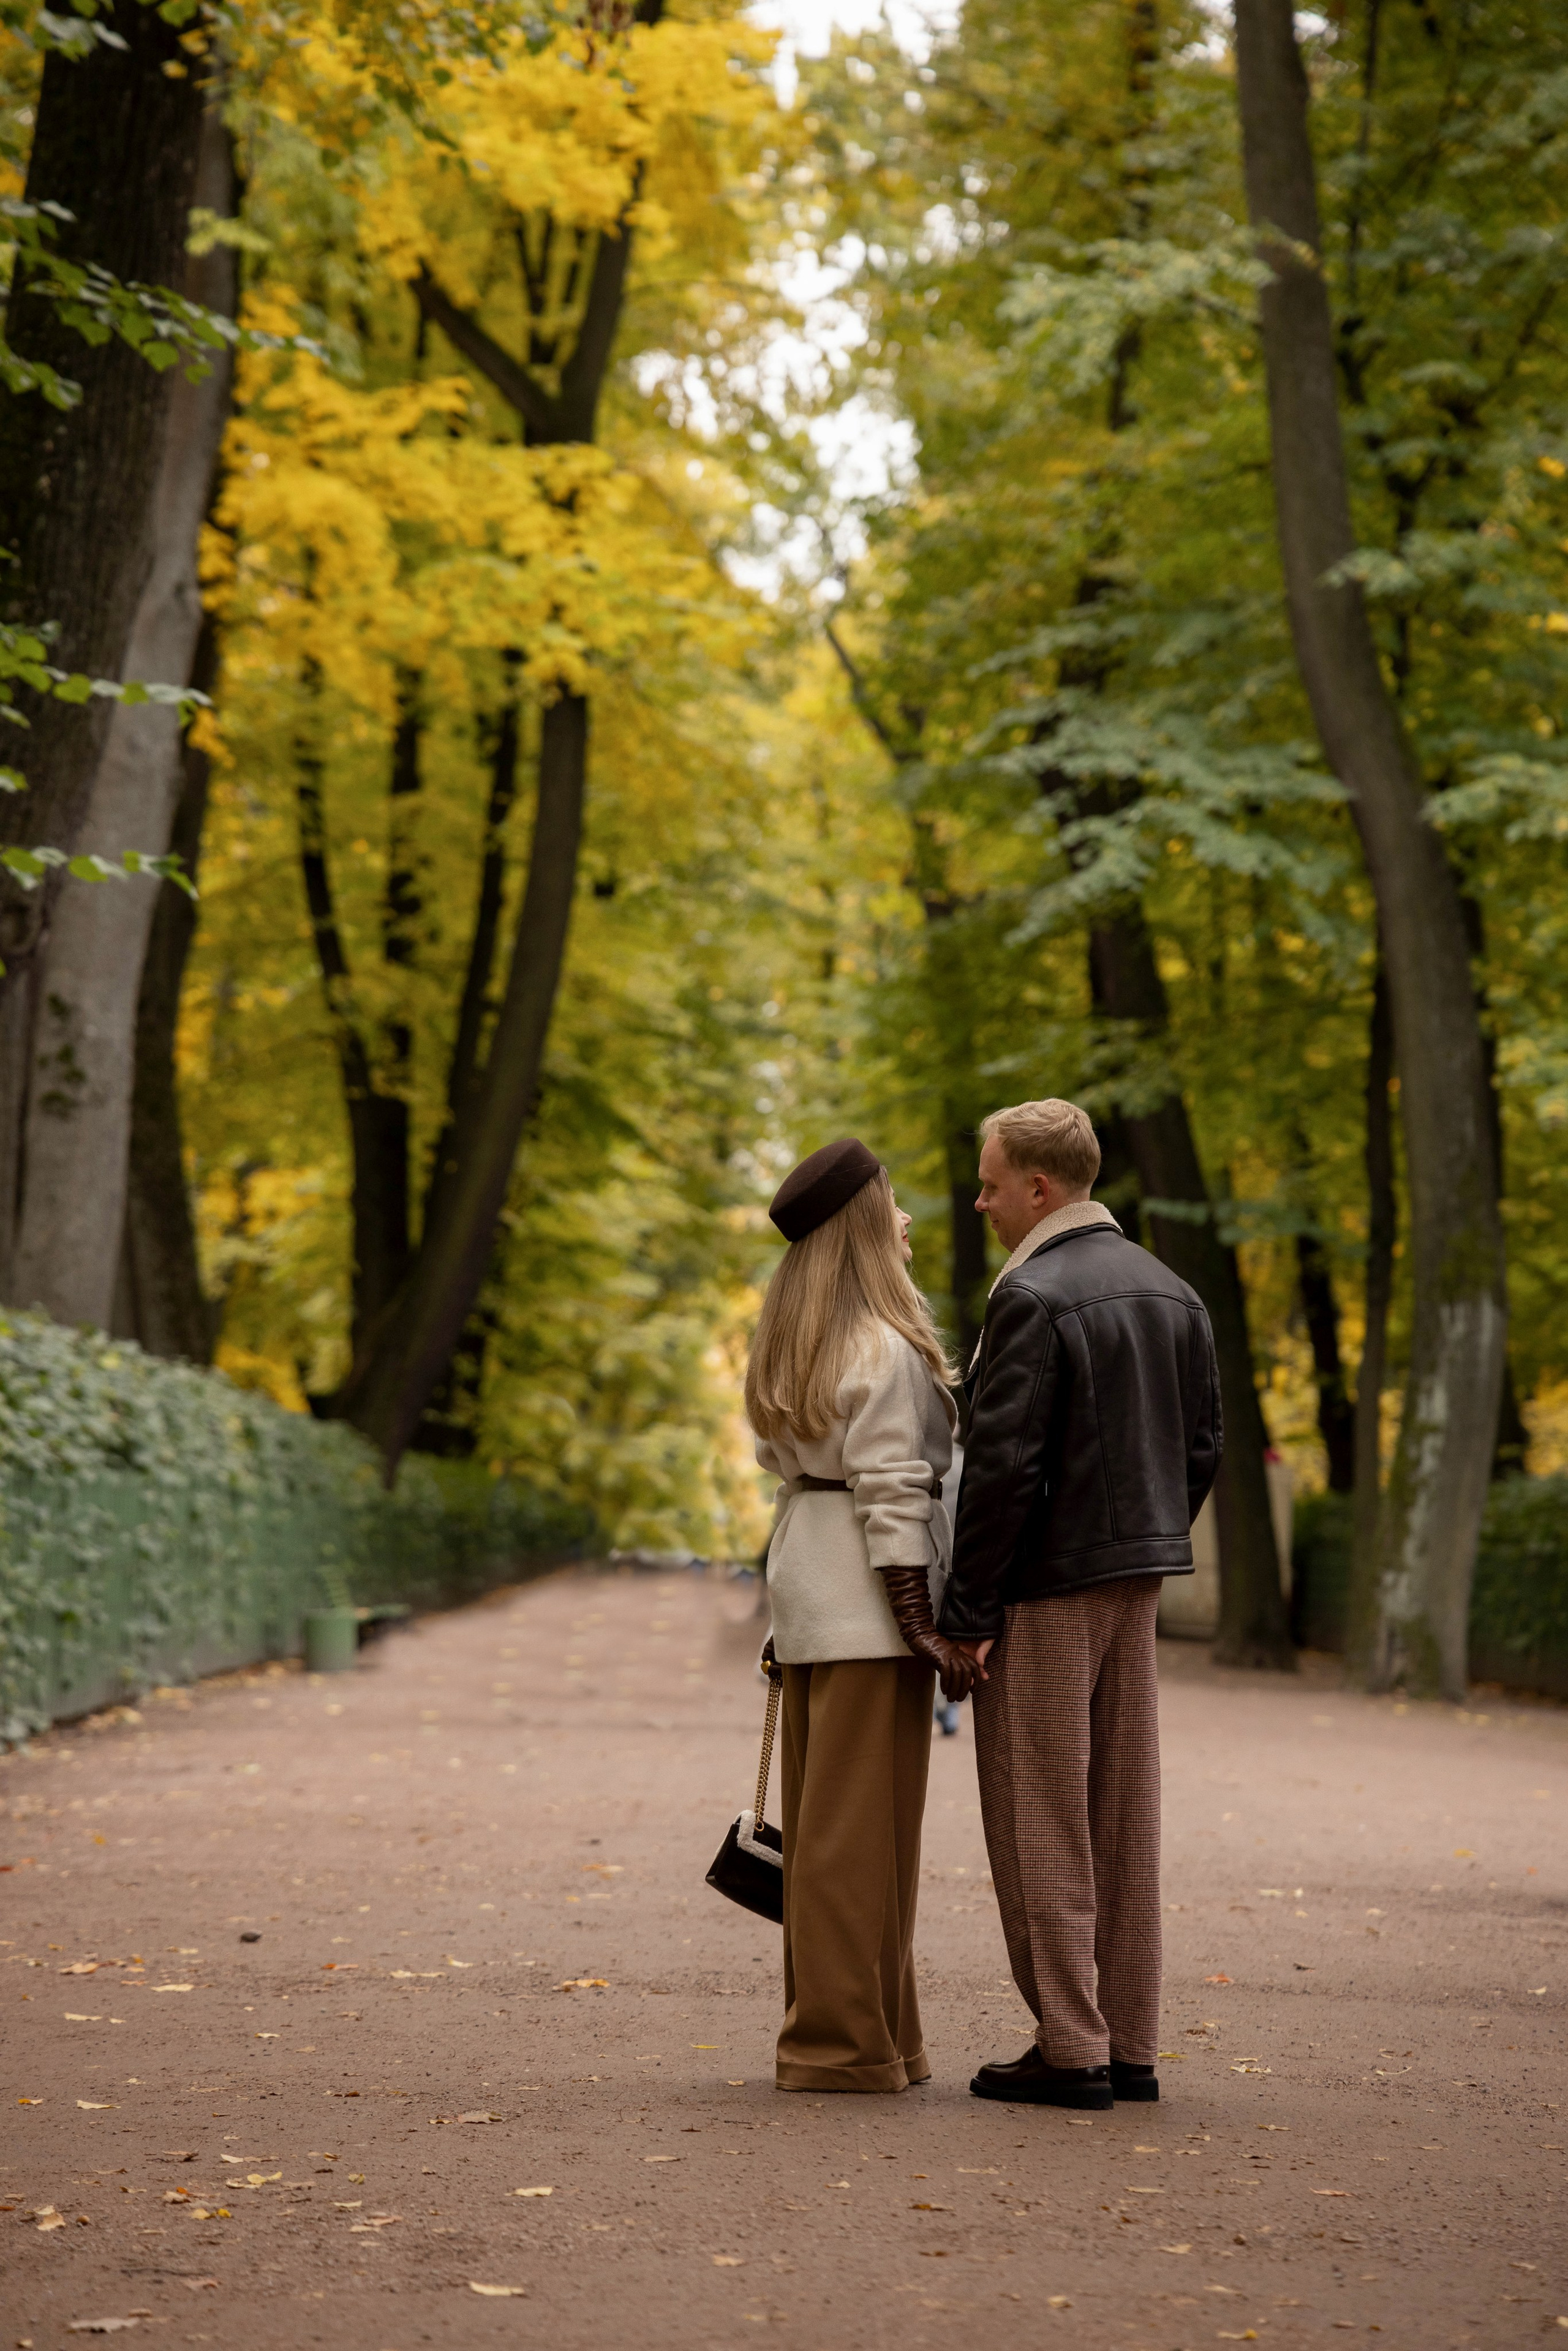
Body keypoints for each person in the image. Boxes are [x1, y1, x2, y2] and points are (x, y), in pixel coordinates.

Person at [939, 1098, 1221, 2111]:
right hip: (1133, 1582)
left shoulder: (1033, 1296)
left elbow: (1002, 1470)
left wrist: (968, 1612)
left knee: (1040, 1812)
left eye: (990, 1182)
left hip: (1047, 1590)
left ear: (1039, 1189)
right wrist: (1142, 1535)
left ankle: (1071, 2047)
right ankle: (1130, 2043)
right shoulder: (1173, 1290)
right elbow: (1202, 1449)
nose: (980, 1199)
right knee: (1123, 1815)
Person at [747, 1137, 980, 2094]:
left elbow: (795, 1473)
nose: (910, 1219)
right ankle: (837, 2045)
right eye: (893, 1203)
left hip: (813, 1588)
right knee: (858, 1841)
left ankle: (880, 2034)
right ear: (862, 1226)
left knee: (843, 1835)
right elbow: (891, 1492)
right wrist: (921, 1617)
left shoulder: (795, 1340)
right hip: (869, 1608)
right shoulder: (881, 1345)